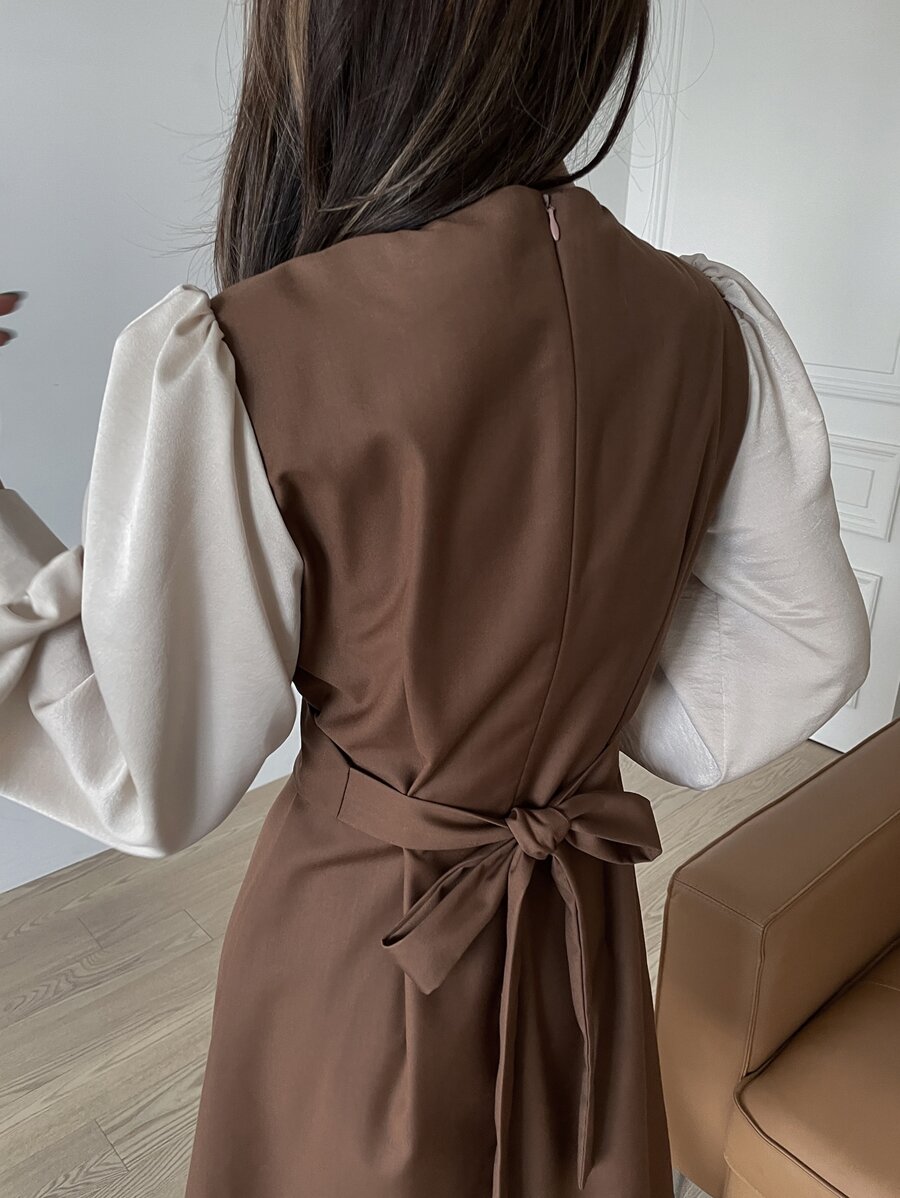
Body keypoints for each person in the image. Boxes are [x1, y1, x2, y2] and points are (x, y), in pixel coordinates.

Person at [0, 2, 870, 1195]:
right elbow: (802, 647)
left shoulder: (257, 347)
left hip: (364, 945)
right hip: (579, 927)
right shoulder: (705, 325)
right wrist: (573, 712)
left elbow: (149, 764)